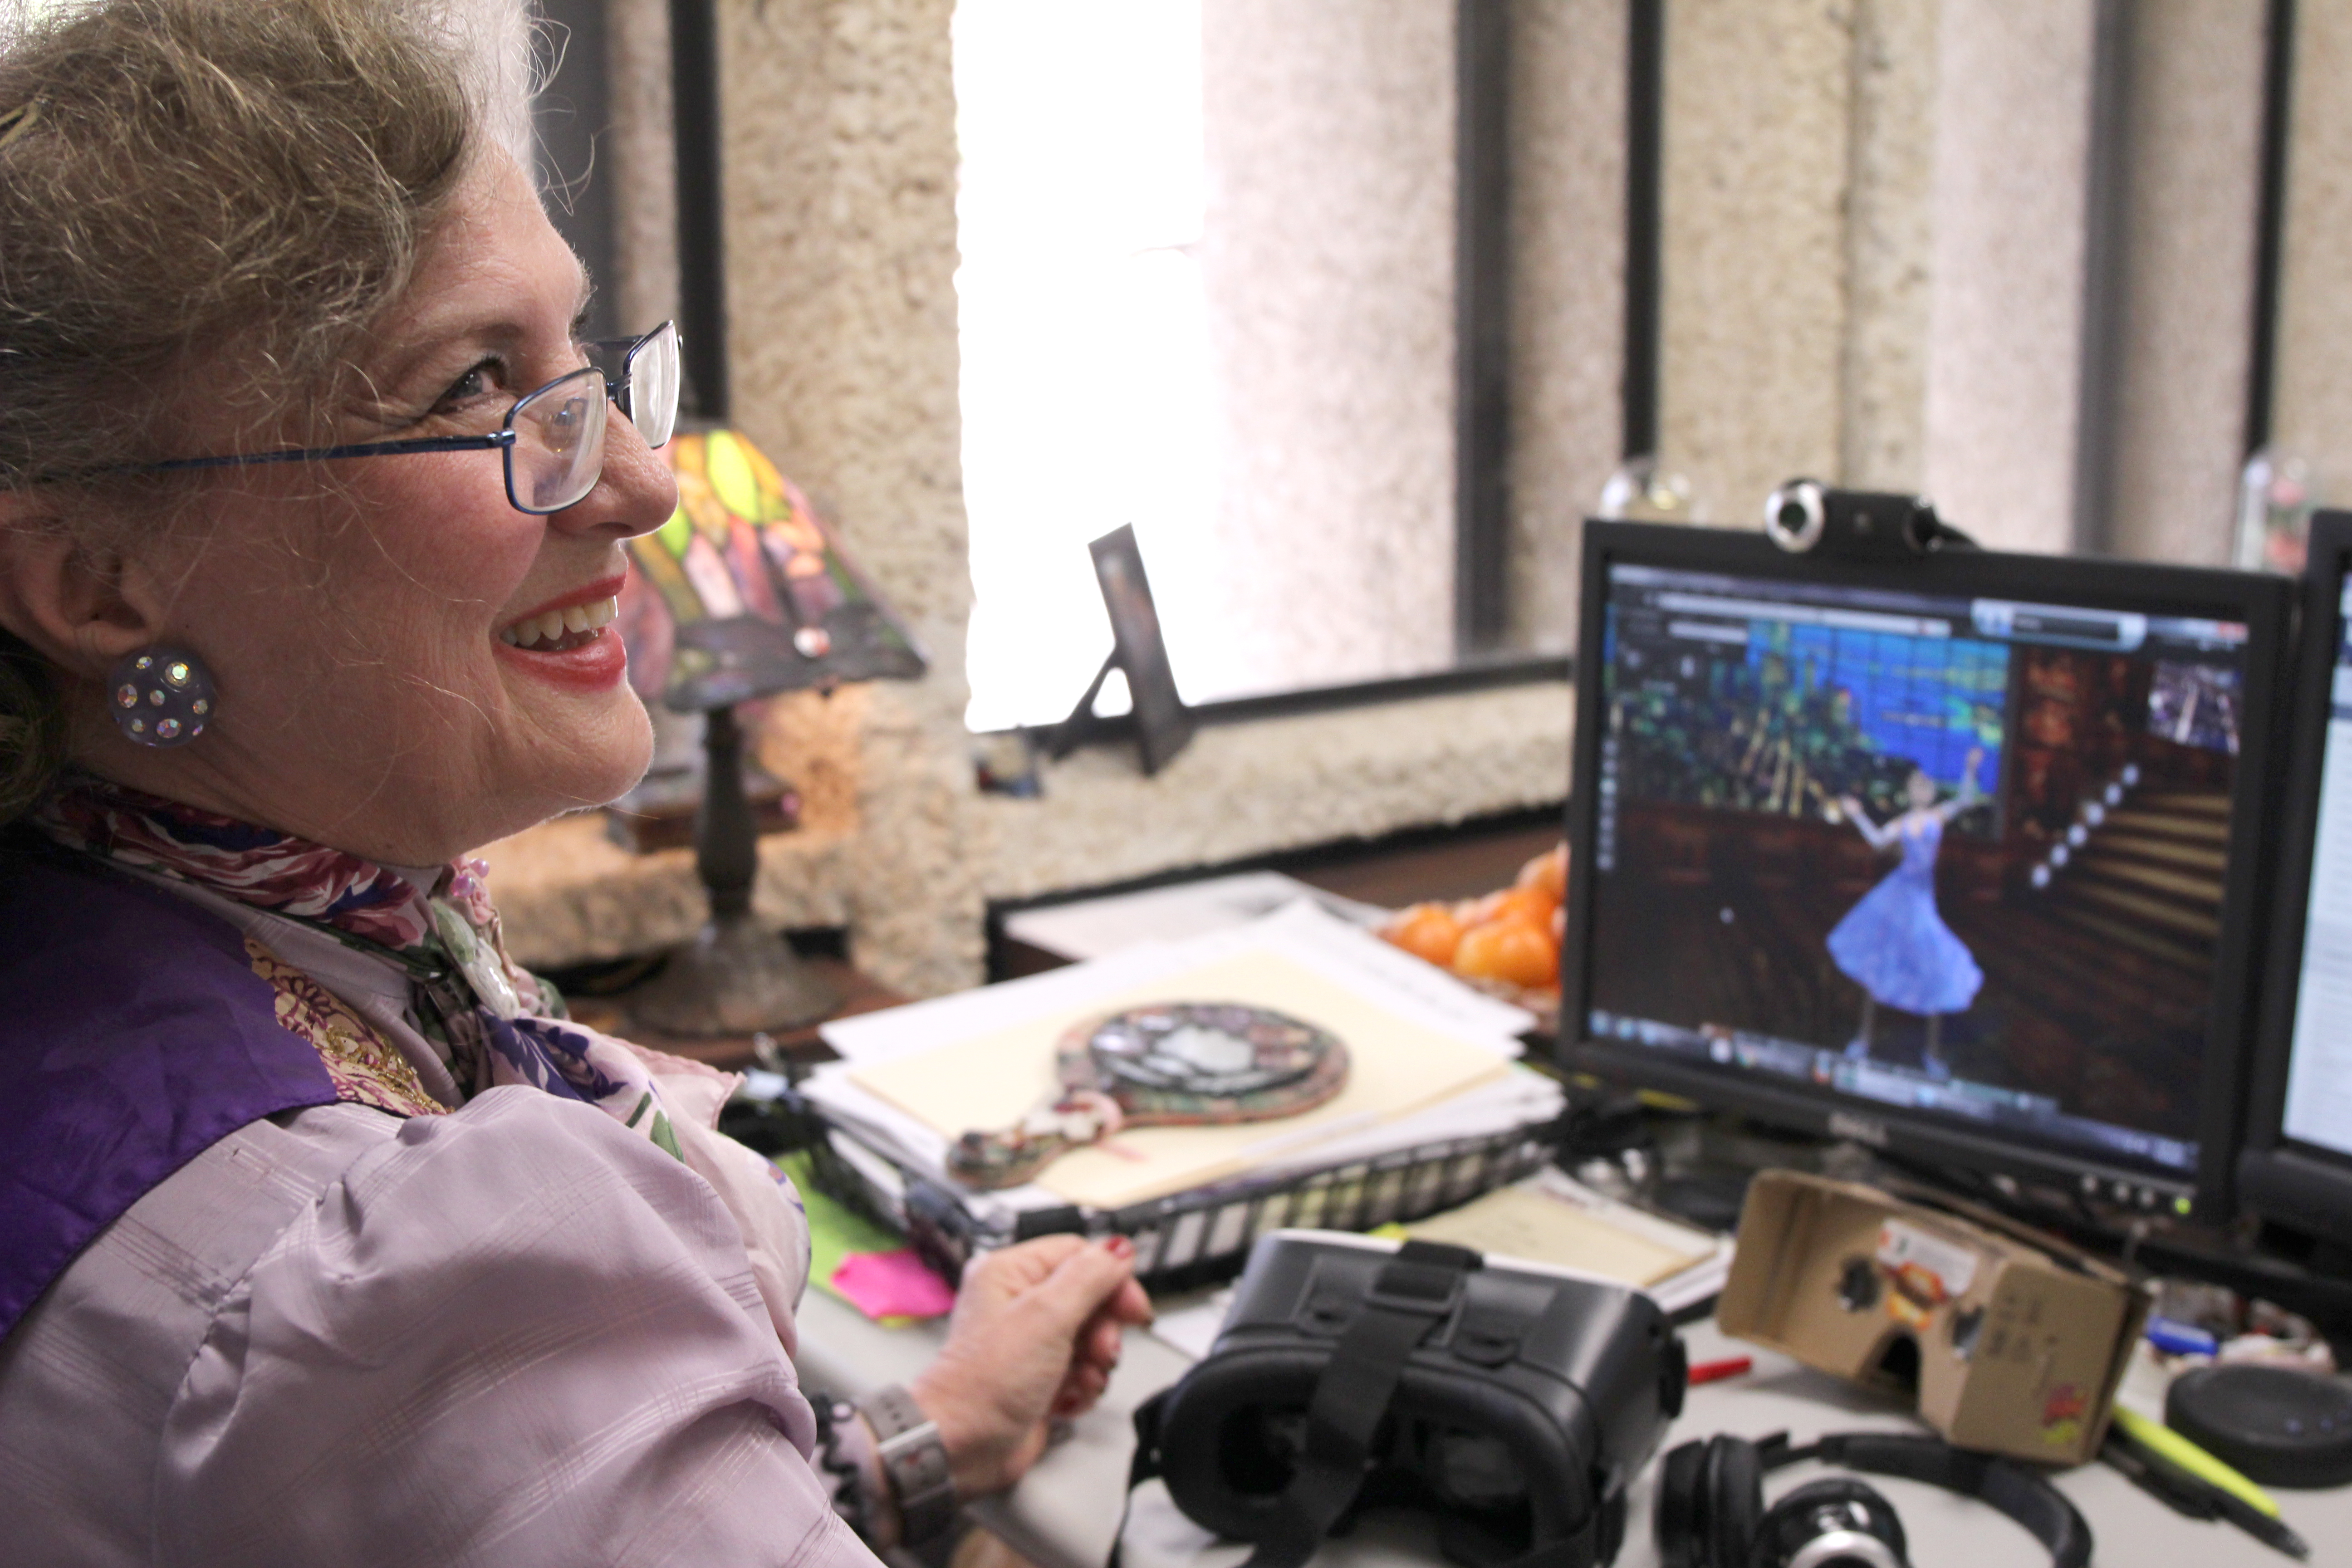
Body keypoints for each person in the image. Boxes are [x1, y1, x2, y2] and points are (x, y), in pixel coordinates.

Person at [0, 3, 1149, 1563]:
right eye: (477, 384)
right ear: (94, 578)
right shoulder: (362, 1266)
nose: (642, 482)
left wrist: (932, 1431)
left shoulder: (152, 935)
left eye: (585, 362)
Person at [1826, 750, 1985, 1080]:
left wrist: (1969, 768)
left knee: (1933, 970)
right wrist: (1857, 815)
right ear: (1911, 792)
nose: (1921, 792)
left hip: (1920, 900)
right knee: (1879, 963)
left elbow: (1967, 799)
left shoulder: (1938, 816)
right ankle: (1864, 1039)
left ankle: (1932, 1053)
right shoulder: (1902, 822)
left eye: (1925, 787)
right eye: (1916, 787)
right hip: (1898, 896)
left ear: (1930, 792)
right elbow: (1877, 840)